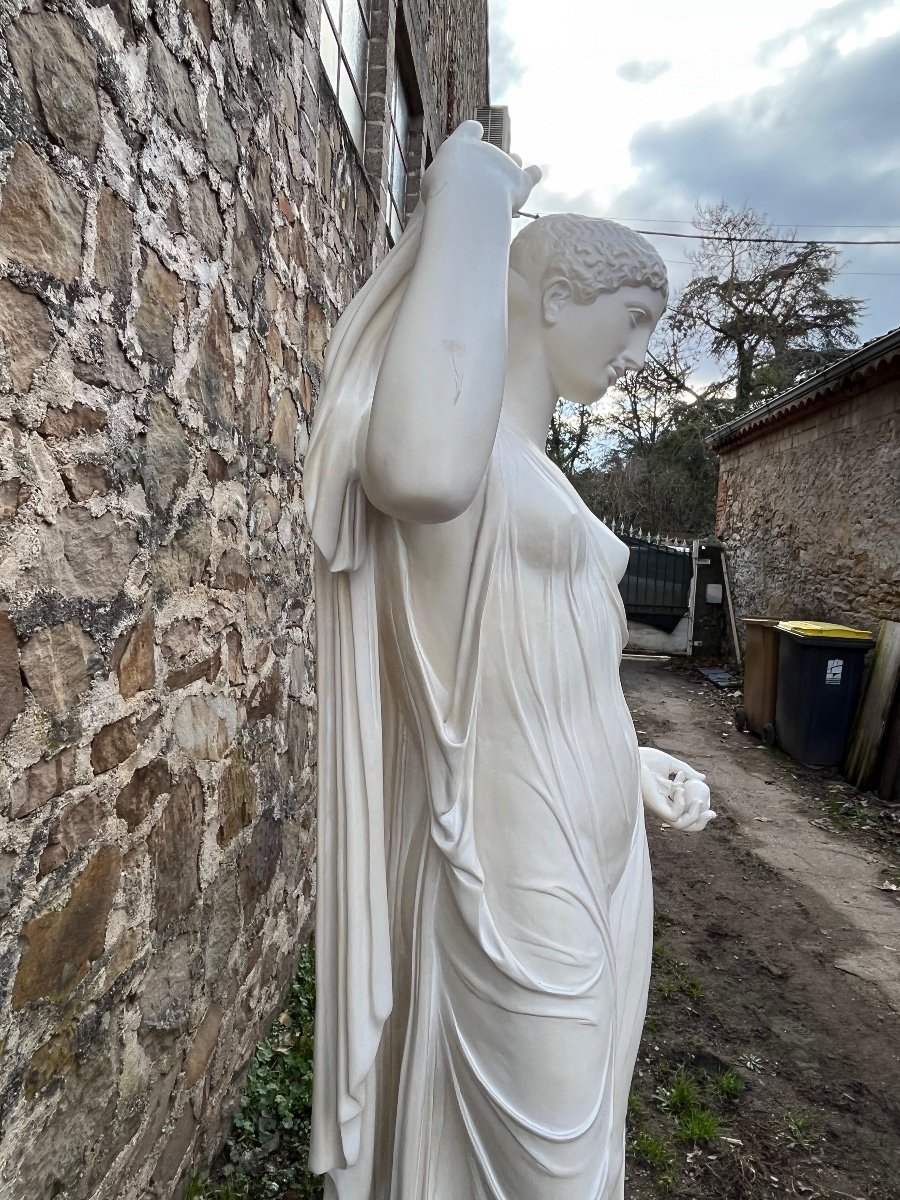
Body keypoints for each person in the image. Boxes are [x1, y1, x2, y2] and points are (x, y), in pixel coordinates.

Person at [305, 121, 714, 1200]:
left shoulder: (542, 473)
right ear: (551, 295)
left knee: (590, 1148)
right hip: (510, 852)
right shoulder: (460, 443)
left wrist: (631, 766)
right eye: (630, 319)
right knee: (551, 1169)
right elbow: (419, 474)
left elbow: (549, 666)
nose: (638, 352)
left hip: (601, 845)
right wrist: (474, 197)